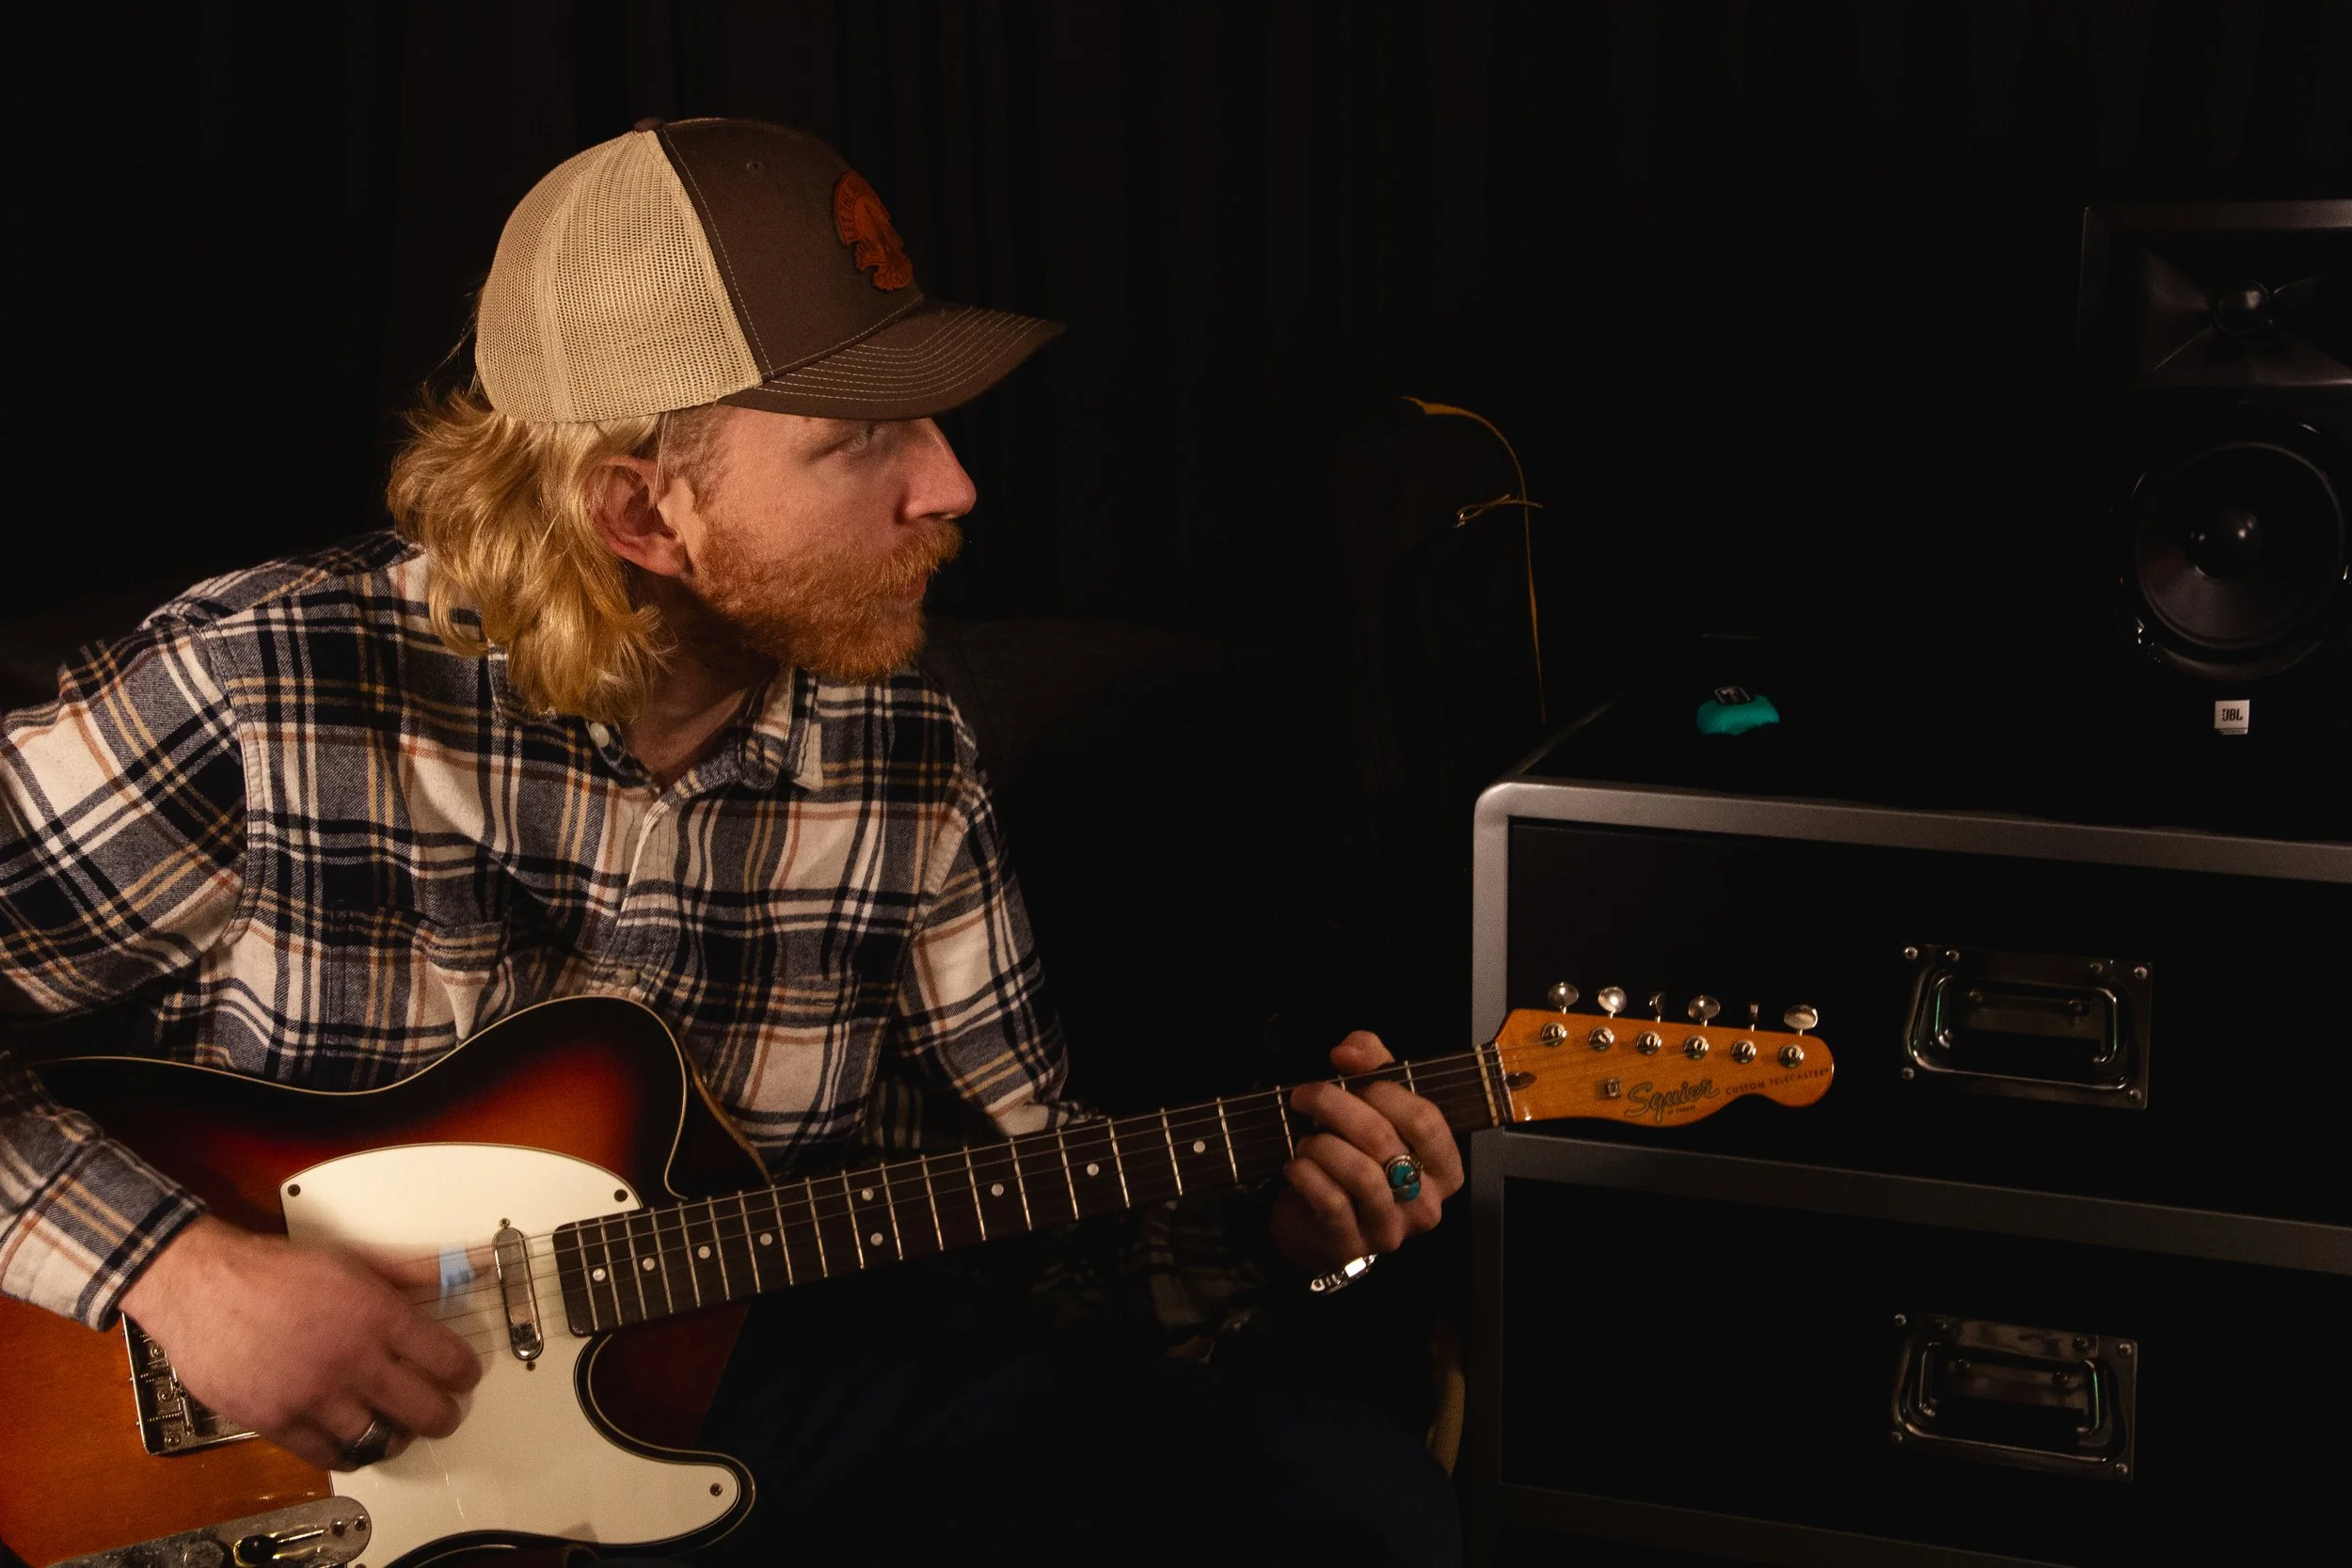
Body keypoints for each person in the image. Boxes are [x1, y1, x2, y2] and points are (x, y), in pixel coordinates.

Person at [0, 119, 1463, 1564]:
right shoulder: (270, 685)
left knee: (1347, 1496)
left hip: (692, 1422)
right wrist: (186, 1279)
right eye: (862, 440)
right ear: (641, 506)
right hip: (274, 1491)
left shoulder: (905, 762)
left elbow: (1033, 1243)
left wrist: (1273, 1230)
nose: (949, 485)